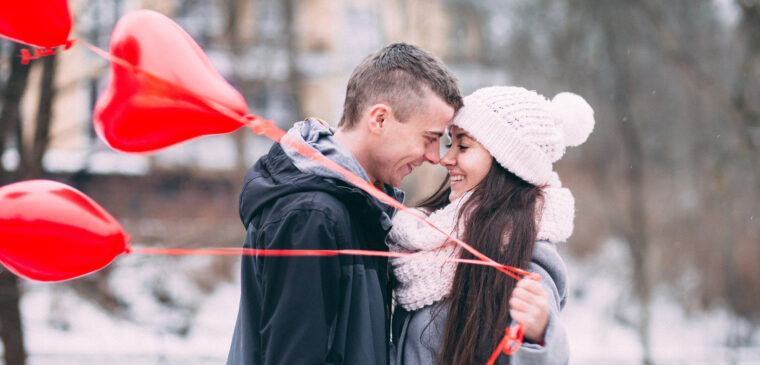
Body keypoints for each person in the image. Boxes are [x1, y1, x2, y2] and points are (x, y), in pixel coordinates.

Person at [226, 43, 463, 364]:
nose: (435, 157)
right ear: (379, 119)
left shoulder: (357, 206)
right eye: (429, 138)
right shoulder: (312, 215)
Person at [389, 86, 595, 364]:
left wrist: (538, 333)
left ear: (507, 163)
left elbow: (544, 351)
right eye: (451, 144)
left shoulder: (524, 256)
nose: (446, 159)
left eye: (463, 146)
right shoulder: (422, 239)